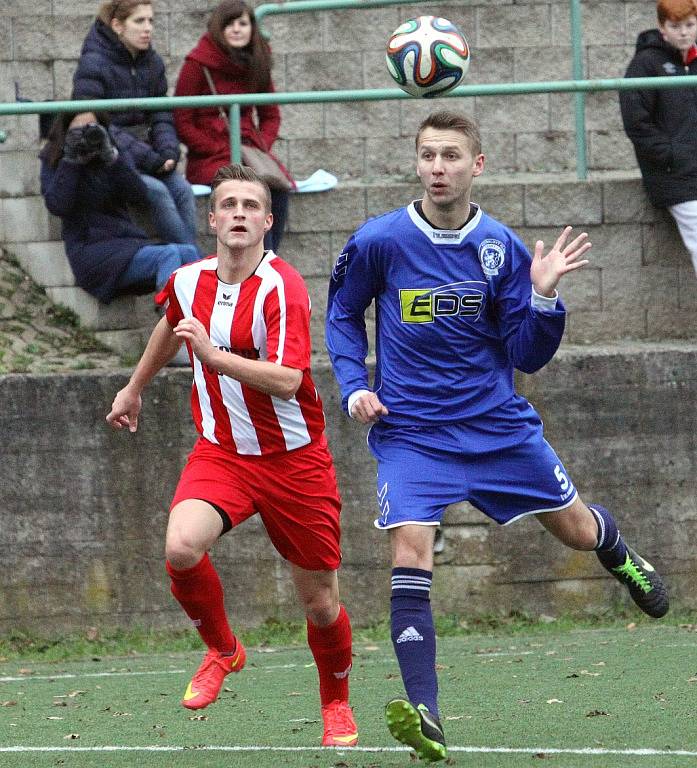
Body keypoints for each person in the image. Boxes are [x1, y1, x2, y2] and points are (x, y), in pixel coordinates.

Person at [325, 110, 669, 763]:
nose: (436, 168)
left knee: (573, 531)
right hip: (412, 433)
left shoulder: (502, 249)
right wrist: (352, 385)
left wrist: (540, 299)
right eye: (427, 155)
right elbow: (342, 313)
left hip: (495, 427)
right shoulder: (379, 241)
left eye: (450, 156)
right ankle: (425, 714)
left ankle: (618, 550)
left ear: (476, 164)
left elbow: (527, 355)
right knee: (409, 550)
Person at [106, 163, 358, 749]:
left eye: (251, 205)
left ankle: (336, 704)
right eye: (229, 204)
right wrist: (134, 387)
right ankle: (223, 648)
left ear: (268, 222)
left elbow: (289, 379)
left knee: (320, 604)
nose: (239, 213)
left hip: (294, 460)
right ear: (213, 218)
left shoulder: (282, 287)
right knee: (179, 545)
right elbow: (174, 326)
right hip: (222, 452)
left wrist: (215, 358)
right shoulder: (189, 279)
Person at [72, 0, 199, 248]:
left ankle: (193, 271)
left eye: (151, 21)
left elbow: (161, 114)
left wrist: (167, 152)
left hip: (147, 156)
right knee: (159, 193)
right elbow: (99, 126)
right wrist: (149, 158)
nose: (148, 28)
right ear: (118, 25)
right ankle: (198, 270)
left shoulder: (152, 63)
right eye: (139, 21)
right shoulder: (93, 63)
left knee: (183, 190)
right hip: (109, 160)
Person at [40, 111, 200, 304]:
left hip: (127, 242)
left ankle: (204, 321)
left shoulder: (112, 152)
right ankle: (171, 323)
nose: (85, 134)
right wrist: (72, 161)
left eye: (91, 127)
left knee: (189, 254)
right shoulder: (54, 159)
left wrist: (113, 159)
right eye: (78, 129)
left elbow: (138, 193)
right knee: (169, 255)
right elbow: (58, 206)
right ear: (65, 131)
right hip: (90, 250)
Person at [174, 0, 294, 252]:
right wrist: (213, 147)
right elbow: (183, 120)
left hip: (249, 150)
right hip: (211, 157)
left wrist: (261, 145)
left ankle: (267, 261)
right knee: (249, 189)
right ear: (219, 28)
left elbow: (270, 114)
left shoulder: (257, 61)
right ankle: (257, 264)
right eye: (230, 24)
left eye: (243, 23)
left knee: (277, 190)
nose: (237, 29)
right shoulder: (198, 63)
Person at [620, 0, 697, 278]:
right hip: (675, 177)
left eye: (690, 25)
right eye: (676, 27)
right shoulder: (646, 64)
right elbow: (637, 123)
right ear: (662, 28)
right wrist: (673, 156)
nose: (684, 33)